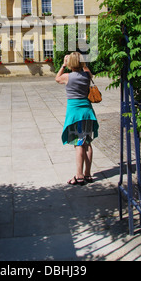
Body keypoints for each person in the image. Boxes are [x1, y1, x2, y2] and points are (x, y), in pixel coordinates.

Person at [55, 52, 99, 185]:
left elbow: (57, 78)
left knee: (78, 143)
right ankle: (87, 174)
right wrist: (83, 64)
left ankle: (79, 176)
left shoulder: (67, 77)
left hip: (75, 114)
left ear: (70, 63)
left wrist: (63, 65)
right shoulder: (86, 76)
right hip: (87, 112)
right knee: (87, 142)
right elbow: (89, 73)